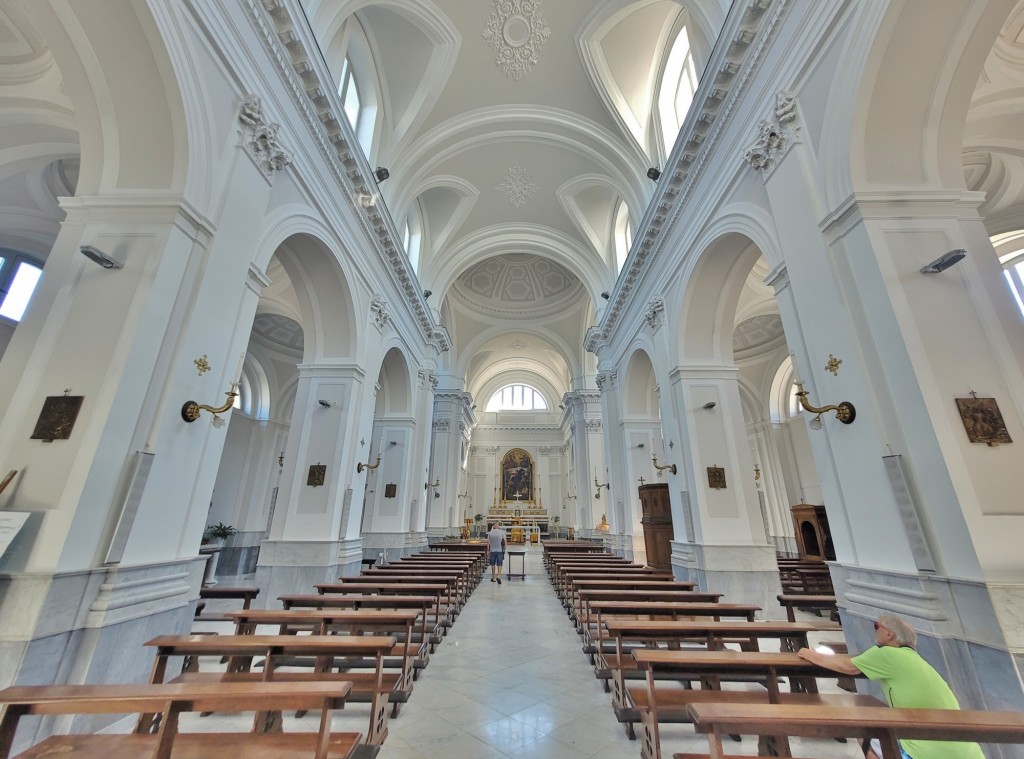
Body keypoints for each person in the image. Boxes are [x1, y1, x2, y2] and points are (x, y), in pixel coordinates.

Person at [798, 614, 984, 759]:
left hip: (926, 752)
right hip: (965, 748)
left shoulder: (887, 654)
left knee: (860, 729)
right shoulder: (912, 658)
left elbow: (849, 667)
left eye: (876, 626)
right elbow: (853, 662)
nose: (874, 631)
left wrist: (811, 655)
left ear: (889, 634)